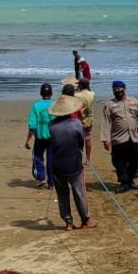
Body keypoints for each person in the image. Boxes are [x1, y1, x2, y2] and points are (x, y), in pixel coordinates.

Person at [49, 93, 95, 230]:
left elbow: (52, 142)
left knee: (62, 195)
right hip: (73, 164)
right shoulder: (76, 124)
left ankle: (68, 222)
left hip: (57, 164)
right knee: (79, 193)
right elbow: (80, 143)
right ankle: (85, 220)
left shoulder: (51, 125)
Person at [100, 80, 138, 193]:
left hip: (134, 137)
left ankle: (130, 180)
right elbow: (106, 123)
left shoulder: (134, 102)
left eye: (119, 89)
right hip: (119, 138)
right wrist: (106, 140)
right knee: (118, 162)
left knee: (135, 160)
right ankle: (124, 182)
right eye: (115, 90)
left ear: (124, 89)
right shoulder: (109, 105)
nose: (117, 91)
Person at [24, 82, 54, 189]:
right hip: (53, 138)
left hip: (40, 138)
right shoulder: (55, 105)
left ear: (41, 93)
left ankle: (41, 178)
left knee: (37, 157)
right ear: (51, 93)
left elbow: (32, 126)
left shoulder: (36, 106)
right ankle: (51, 183)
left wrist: (28, 140)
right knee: (51, 160)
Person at [74, 77, 95, 163]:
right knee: (88, 138)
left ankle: (79, 158)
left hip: (79, 119)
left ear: (81, 85)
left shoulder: (76, 95)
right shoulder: (92, 94)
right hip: (89, 118)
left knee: (78, 139)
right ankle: (88, 159)